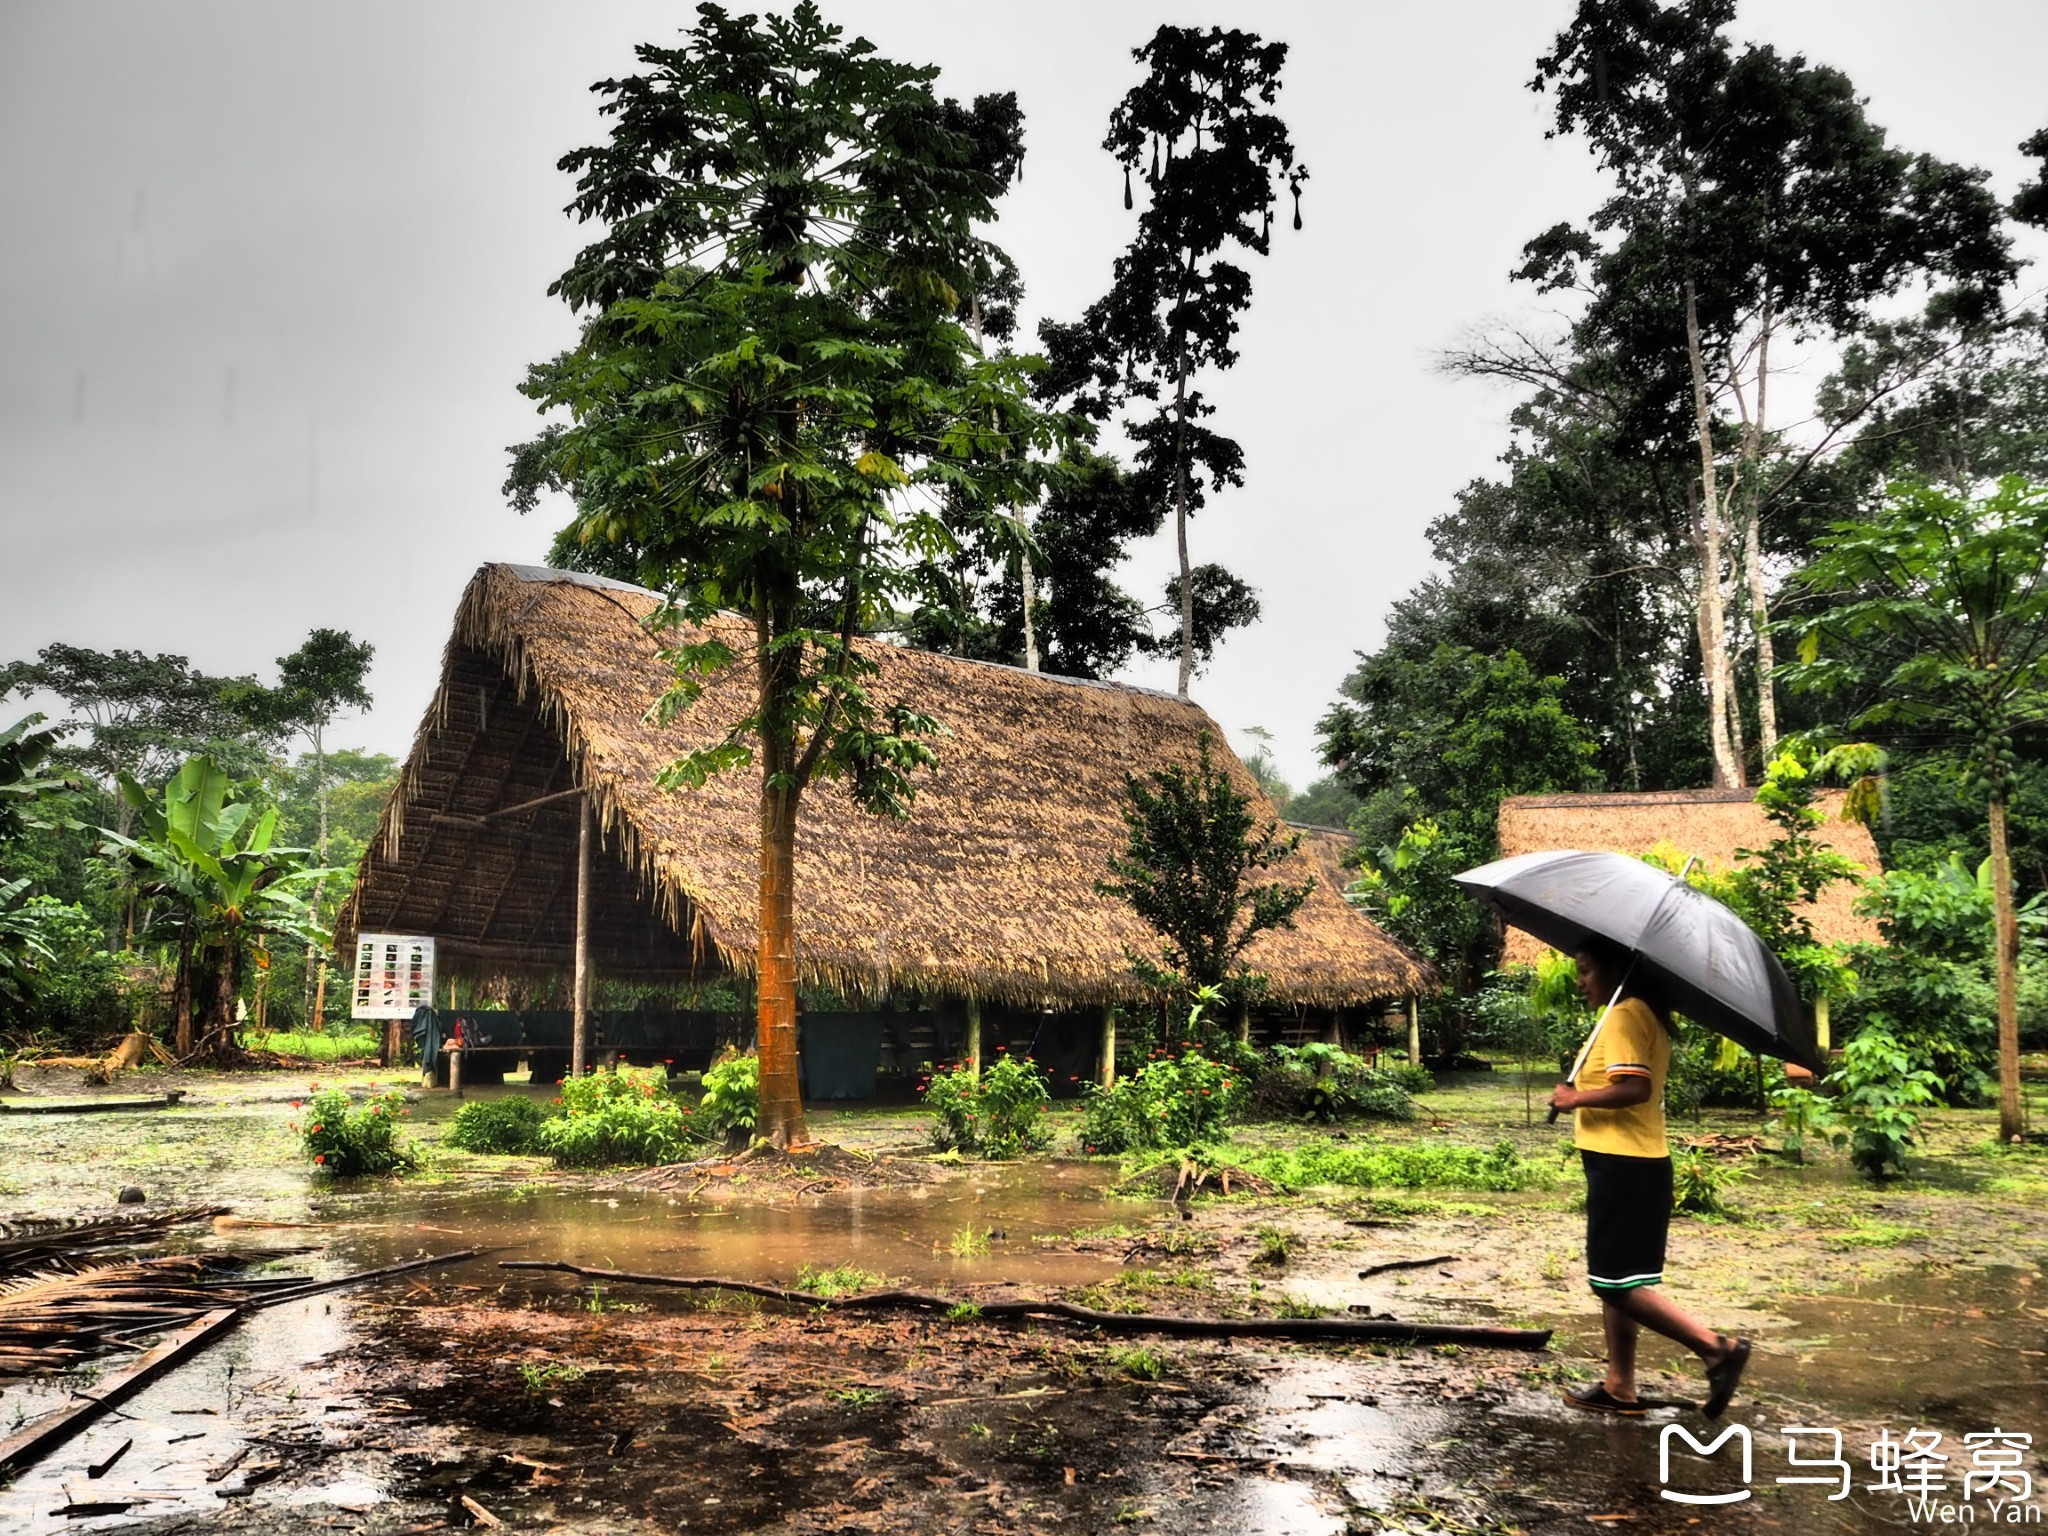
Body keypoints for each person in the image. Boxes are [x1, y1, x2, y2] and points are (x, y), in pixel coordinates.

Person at [1548, 937, 1751, 1417]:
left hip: (1625, 1164)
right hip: (1630, 1161)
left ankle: (1716, 1348)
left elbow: (1634, 1087)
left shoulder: (1623, 1015)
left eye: (1585, 970)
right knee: (1617, 1276)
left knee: (1613, 1284)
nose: (1580, 981)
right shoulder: (1642, 1014)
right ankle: (1621, 1385)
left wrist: (1574, 1099)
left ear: (1616, 971)